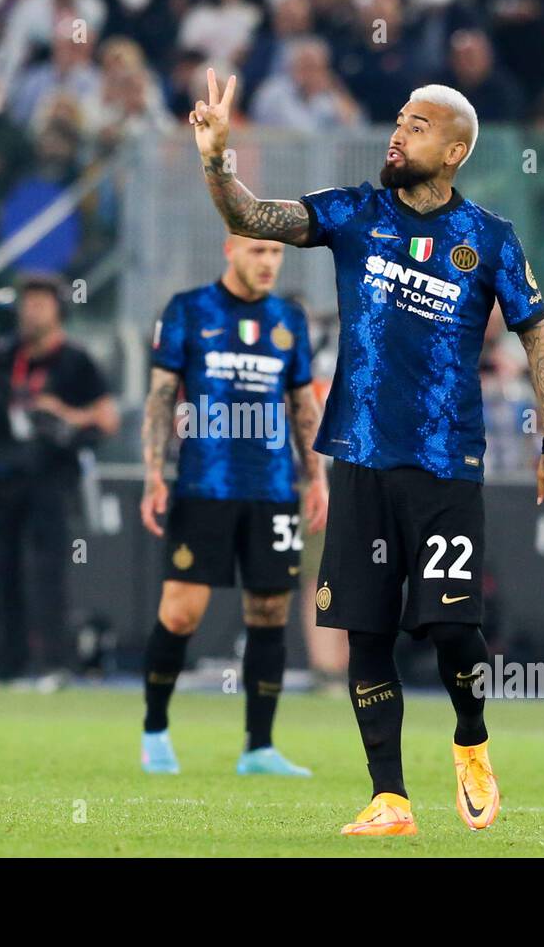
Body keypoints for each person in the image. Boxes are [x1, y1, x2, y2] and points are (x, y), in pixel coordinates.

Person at [189, 70, 544, 835]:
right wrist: (217, 159)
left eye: (420, 124)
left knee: (453, 629)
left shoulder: (488, 238)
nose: (399, 133)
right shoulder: (355, 214)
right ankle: (389, 797)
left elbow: (539, 334)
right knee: (365, 630)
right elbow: (250, 215)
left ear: (456, 148)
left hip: (444, 462)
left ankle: (471, 740)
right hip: (361, 457)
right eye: (400, 119)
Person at [138, 234, 327, 776]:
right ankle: (155, 732)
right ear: (230, 250)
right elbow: (160, 397)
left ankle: (259, 747)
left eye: (276, 254)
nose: (268, 263)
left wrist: (316, 477)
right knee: (181, 612)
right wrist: (154, 472)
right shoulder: (189, 310)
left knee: (270, 611)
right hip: (205, 487)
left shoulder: (289, 320)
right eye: (258, 252)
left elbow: (302, 404)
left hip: (272, 489)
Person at [0, 274, 119, 684]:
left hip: (49, 477)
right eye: (27, 304)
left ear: (59, 309)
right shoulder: (2, 354)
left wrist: (61, 413)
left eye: (41, 304)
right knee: (3, 571)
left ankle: (54, 665)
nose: (32, 312)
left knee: (47, 574)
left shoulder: (76, 361)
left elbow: (107, 418)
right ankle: (7, 665)